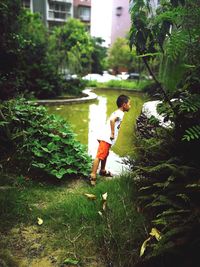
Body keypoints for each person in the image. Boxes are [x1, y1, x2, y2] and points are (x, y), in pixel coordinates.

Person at [89, 94, 131, 186]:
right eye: (129, 104)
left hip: (106, 138)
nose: (130, 106)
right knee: (100, 156)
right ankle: (93, 175)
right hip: (106, 138)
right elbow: (112, 120)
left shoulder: (119, 112)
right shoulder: (119, 113)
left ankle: (102, 170)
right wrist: (112, 133)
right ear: (124, 105)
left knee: (105, 154)